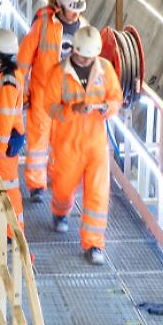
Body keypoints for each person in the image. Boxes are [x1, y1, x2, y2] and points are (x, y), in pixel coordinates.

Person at [45, 24, 121, 265]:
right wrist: (72, 109)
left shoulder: (105, 70)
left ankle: (94, 244)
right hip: (68, 144)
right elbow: (50, 106)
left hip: (96, 144)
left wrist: (107, 108)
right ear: (73, 51)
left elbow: (116, 97)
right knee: (64, 188)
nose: (84, 60)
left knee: (98, 194)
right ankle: (60, 211)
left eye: (89, 57)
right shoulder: (59, 73)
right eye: (80, 55)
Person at [17, 0, 87, 201]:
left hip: (68, 96)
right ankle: (36, 185)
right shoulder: (44, 25)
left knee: (64, 141)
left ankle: (57, 179)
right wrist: (23, 93)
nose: (76, 14)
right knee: (38, 140)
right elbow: (23, 60)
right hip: (42, 94)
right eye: (72, 9)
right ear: (60, 7)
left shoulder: (84, 29)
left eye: (78, 10)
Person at [0, 28, 27, 233]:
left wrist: (0, 146)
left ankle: (12, 232)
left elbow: (7, 116)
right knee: (3, 187)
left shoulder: (7, 81)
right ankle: (6, 227)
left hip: (5, 142)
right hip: (7, 140)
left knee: (7, 188)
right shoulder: (12, 75)